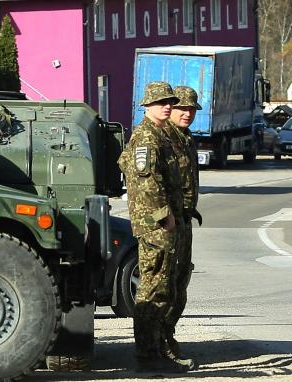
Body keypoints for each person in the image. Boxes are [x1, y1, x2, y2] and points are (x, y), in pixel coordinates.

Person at [118, 82, 194, 374]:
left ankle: (160, 348)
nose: (167, 106)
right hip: (155, 225)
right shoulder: (147, 137)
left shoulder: (162, 135)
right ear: (147, 106)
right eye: (161, 102)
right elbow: (147, 181)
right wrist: (165, 216)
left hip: (166, 223)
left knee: (168, 285)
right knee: (153, 288)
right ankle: (148, 356)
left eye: (169, 102)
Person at [165, 85, 204, 365]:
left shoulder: (186, 139)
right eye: (182, 108)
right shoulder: (162, 139)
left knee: (180, 284)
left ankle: (168, 336)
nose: (187, 113)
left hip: (183, 220)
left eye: (191, 109)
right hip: (167, 223)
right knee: (162, 286)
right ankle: (157, 345)